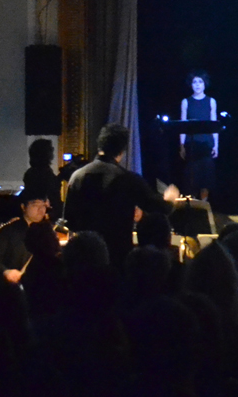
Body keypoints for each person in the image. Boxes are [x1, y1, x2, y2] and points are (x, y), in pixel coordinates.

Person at [64, 123, 179, 269]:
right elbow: (161, 208)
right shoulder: (128, 179)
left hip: (82, 260)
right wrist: (170, 199)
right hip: (117, 258)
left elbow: (69, 221)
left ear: (100, 146)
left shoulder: (76, 177)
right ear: (122, 151)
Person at [0, 186, 51, 284]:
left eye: (44, 206)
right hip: (14, 285)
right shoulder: (9, 230)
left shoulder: (47, 231)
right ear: (23, 207)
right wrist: (6, 271)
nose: (41, 210)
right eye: (35, 205)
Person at [179, 70, 218, 200]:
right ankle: (194, 207)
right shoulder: (186, 101)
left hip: (206, 143)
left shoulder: (211, 101)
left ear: (204, 84)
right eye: (194, 82)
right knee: (192, 180)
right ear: (191, 84)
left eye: (200, 82)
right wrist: (182, 145)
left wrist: (216, 145)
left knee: (206, 180)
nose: (197, 85)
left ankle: (204, 205)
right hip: (192, 143)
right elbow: (183, 126)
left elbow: (214, 125)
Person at [23, 138, 62, 214]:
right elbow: (48, 190)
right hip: (44, 211)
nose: (52, 152)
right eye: (50, 149)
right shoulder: (39, 172)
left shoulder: (36, 171)